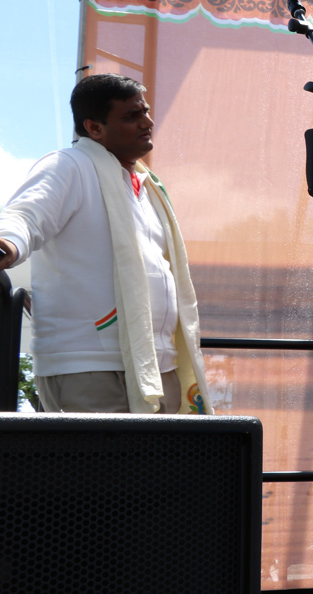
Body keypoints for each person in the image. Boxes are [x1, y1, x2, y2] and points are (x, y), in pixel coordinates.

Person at [0, 73, 211, 414]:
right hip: (89, 365)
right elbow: (24, 216)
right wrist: (7, 243)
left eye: (145, 112)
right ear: (94, 128)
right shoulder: (69, 165)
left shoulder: (148, 184)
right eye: (131, 116)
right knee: (101, 453)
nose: (147, 123)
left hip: (158, 366)